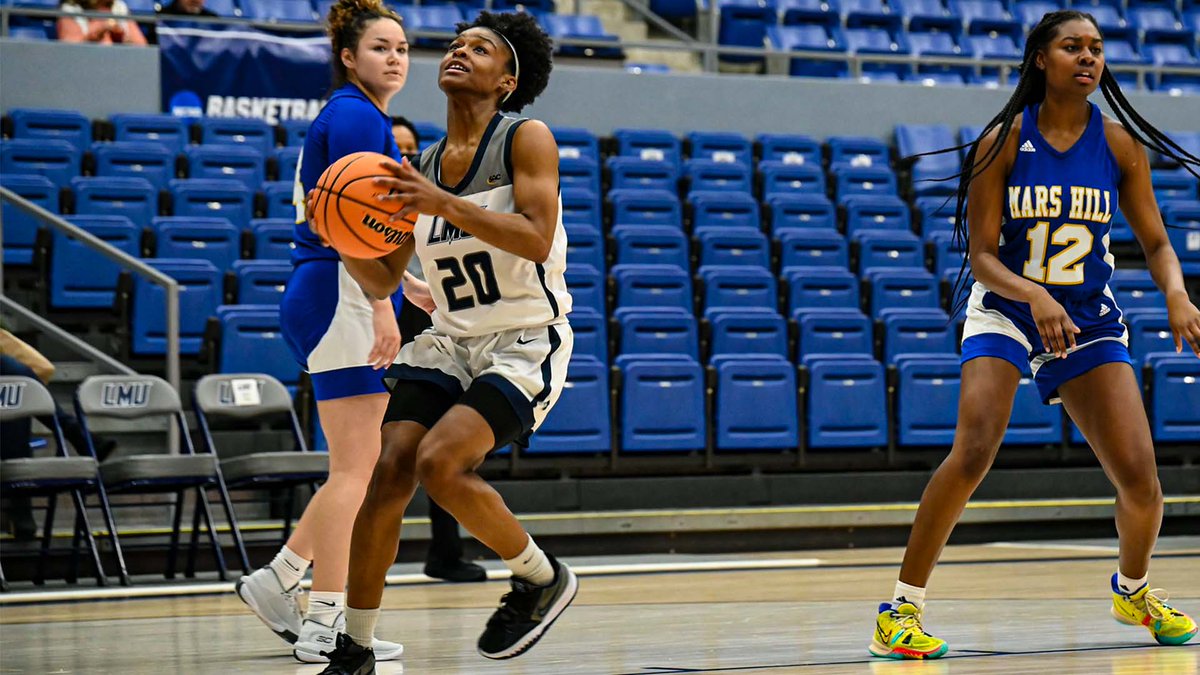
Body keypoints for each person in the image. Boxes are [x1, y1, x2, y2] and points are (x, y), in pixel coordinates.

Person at [869, 10, 1200, 660]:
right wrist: (1034, 294)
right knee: (973, 451)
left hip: (1086, 315)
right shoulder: (1002, 140)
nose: (1088, 57)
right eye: (1073, 46)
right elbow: (984, 255)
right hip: (1008, 307)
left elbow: (1158, 241)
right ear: (1041, 60)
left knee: (1141, 480)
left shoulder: (1120, 146)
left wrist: (1178, 293)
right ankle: (899, 609)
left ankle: (1133, 589)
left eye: (1097, 48)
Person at [316, 11, 574, 672]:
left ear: (507, 80)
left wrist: (442, 202)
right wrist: (342, 234)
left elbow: (536, 236)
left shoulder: (525, 138)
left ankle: (539, 575)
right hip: (449, 341)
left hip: (523, 341)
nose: (459, 51)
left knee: (440, 462)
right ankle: (356, 646)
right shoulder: (421, 164)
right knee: (389, 469)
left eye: (480, 48)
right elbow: (386, 275)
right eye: (456, 43)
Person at [234, 0, 409, 664]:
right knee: (355, 471)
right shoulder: (361, 116)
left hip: (324, 286)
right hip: (341, 291)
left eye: (401, 48)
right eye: (380, 47)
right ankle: (325, 622)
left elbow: (355, 224)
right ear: (347, 56)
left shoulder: (346, 113)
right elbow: (356, 225)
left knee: (355, 465)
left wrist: (408, 284)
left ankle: (279, 579)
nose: (395, 57)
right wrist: (386, 301)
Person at [390, 115, 489, 584]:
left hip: (436, 312)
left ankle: (446, 552)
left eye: (410, 148)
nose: (403, 155)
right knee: (387, 452)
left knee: (443, 446)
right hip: (387, 311)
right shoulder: (371, 192)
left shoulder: (434, 186)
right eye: (395, 146)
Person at [57, 0, 147, 45]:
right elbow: (70, 49)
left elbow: (141, 46)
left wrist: (121, 35)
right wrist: (100, 30)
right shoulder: (70, 10)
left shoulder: (119, 7)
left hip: (120, 67)